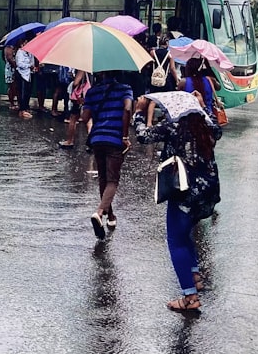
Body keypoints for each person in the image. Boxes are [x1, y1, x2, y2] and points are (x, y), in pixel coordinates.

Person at [133, 105, 222, 312]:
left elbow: (143, 136)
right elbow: (218, 128)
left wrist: (139, 113)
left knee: (176, 242)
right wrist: (206, 110)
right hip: (207, 190)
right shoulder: (206, 127)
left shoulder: (173, 127)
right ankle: (195, 275)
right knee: (186, 234)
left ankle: (190, 297)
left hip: (184, 190)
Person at [78, 71, 133, 238]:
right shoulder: (125, 89)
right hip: (114, 139)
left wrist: (84, 104)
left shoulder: (92, 92)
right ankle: (100, 212)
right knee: (113, 180)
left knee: (103, 178)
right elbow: (128, 108)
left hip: (97, 139)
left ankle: (110, 216)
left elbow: (84, 117)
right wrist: (124, 136)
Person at [14, 36, 36, 119]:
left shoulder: (30, 53)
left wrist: (33, 67)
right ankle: (22, 109)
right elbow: (19, 64)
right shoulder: (20, 52)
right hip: (21, 74)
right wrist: (29, 66)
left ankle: (26, 107)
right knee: (22, 92)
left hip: (29, 74)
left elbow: (32, 62)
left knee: (27, 92)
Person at [3, 39, 19, 110]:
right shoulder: (8, 47)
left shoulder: (14, 47)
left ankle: (14, 102)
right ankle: (11, 103)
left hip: (14, 68)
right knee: (11, 86)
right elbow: (9, 58)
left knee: (15, 86)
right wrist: (16, 66)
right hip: (10, 69)